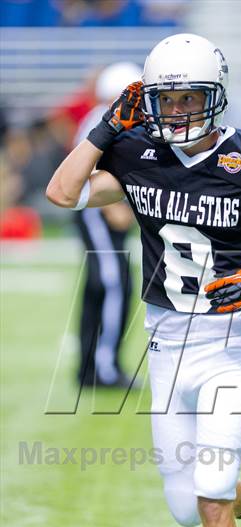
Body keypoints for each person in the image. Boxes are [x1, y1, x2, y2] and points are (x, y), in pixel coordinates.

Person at [46, 33, 241, 527]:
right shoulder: (137, 155)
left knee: (212, 492)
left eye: (190, 98)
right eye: (167, 99)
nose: (178, 113)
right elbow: (63, 193)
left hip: (231, 343)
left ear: (215, 95)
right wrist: (106, 127)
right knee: (187, 505)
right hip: (166, 345)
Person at [73, 62, 141, 388]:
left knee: (102, 285)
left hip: (99, 210)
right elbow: (87, 173)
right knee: (114, 282)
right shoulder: (103, 120)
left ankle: (90, 367)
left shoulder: (112, 119)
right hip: (95, 212)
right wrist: (116, 207)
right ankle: (104, 368)